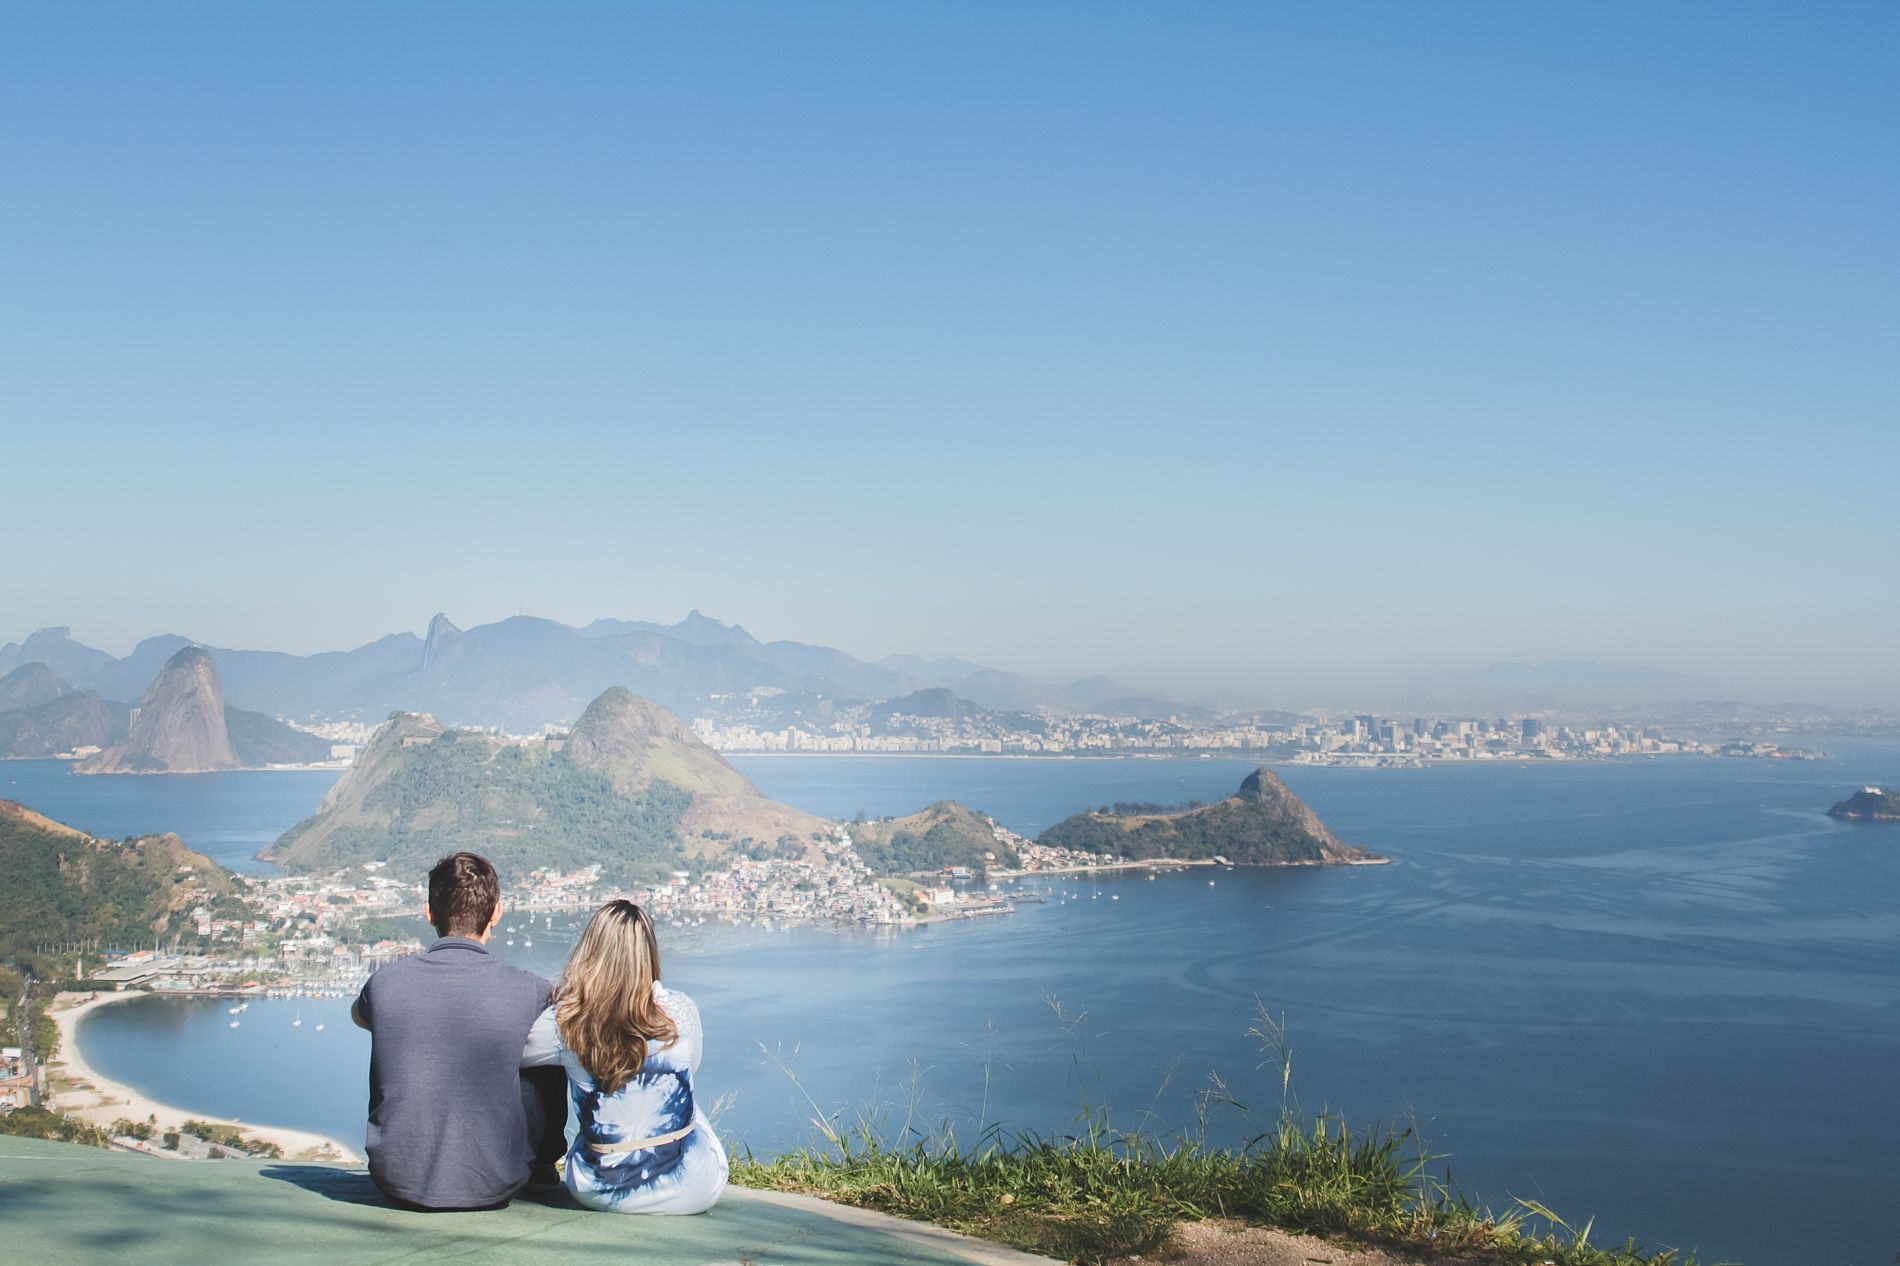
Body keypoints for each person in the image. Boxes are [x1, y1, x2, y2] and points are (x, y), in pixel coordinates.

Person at [351, 851, 566, 1209]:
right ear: (496, 912)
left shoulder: (385, 983)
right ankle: (542, 1169)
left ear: (429, 913)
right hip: (496, 1181)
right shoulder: (531, 991)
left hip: (395, 1179)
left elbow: (361, 1017)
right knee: (547, 1055)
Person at [522, 899, 728, 1214]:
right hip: (695, 1188)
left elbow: (516, 1057)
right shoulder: (681, 1009)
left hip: (599, 1189)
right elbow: (693, 1068)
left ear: (590, 952)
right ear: (649, 953)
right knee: (677, 1087)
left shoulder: (564, 1022)